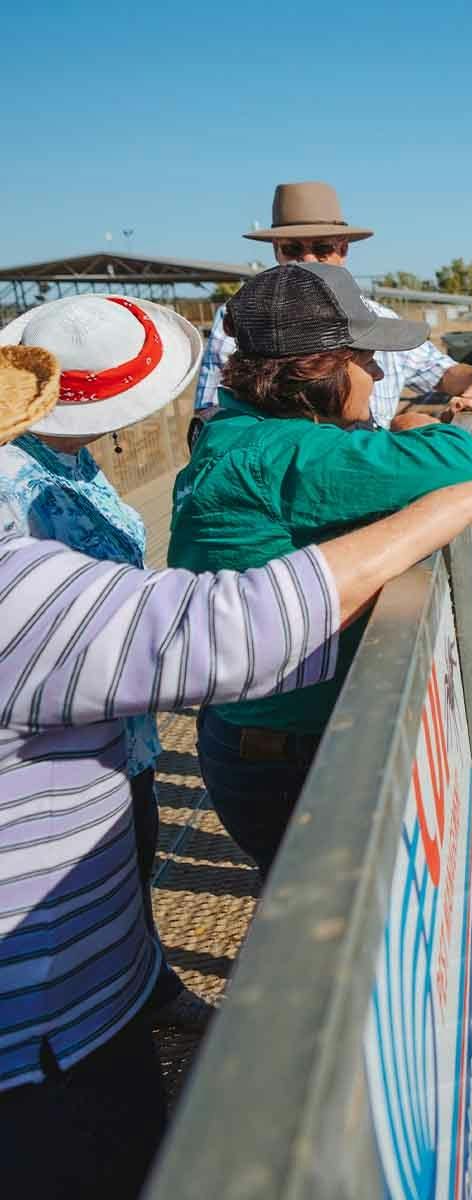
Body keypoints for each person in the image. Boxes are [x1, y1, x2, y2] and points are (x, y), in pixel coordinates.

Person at [0, 342, 472, 1200]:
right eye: (369, 358)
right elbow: (235, 627)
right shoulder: (22, 591)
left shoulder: (231, 439)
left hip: (73, 989)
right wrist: (461, 501)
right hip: (41, 1032)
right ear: (321, 371)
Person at [171, 261, 472, 875]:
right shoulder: (287, 452)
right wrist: (416, 426)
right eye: (364, 359)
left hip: (254, 739)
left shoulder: (238, 428)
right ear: (318, 370)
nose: (376, 373)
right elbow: (455, 459)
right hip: (287, 755)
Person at [0, 293, 216, 1030]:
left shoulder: (57, 457)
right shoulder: (21, 489)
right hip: (69, 745)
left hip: (110, 728)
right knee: (101, 876)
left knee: (130, 863)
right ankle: (114, 1011)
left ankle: (143, 983)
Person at [191, 181, 472, 438]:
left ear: (343, 249)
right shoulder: (249, 322)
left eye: (322, 248)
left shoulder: (382, 320)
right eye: (294, 249)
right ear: (277, 252)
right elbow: (213, 413)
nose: (308, 260)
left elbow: (442, 371)